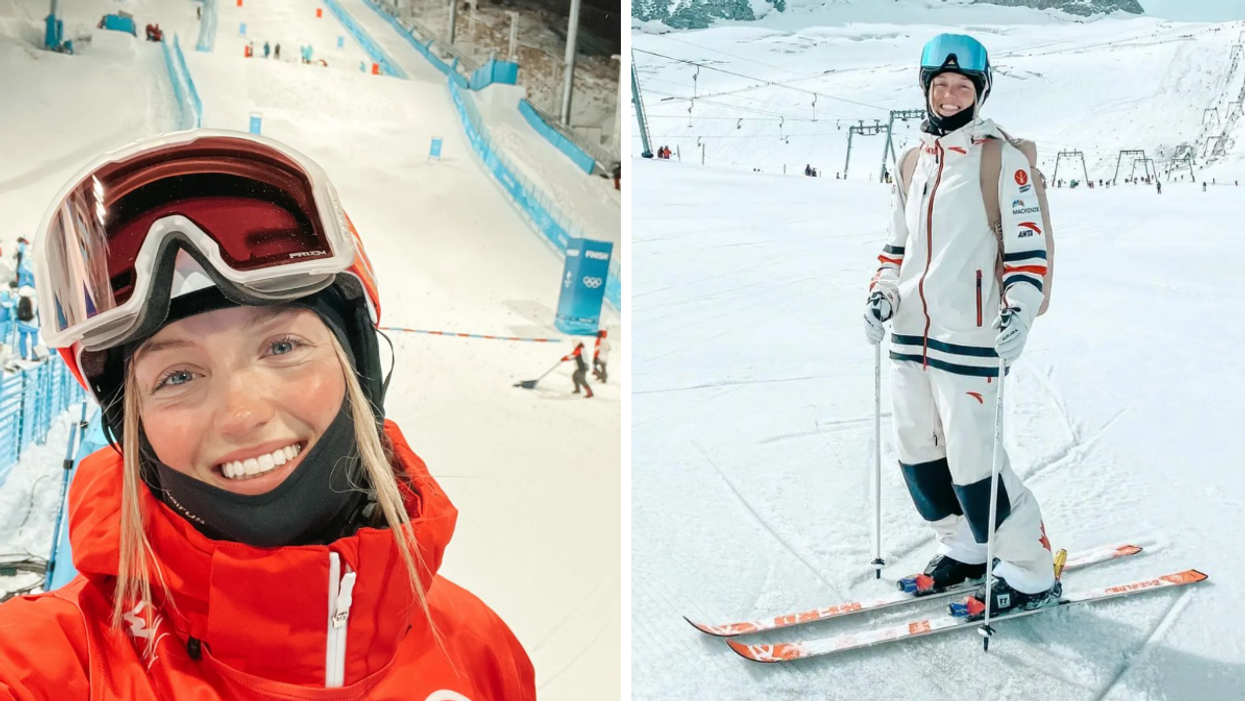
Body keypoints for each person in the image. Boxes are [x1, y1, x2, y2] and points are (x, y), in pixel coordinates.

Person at [0, 131, 536, 699]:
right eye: (177, 376)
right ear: (132, 429)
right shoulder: (51, 663)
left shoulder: (480, 655)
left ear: (358, 366)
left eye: (282, 347)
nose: (241, 414)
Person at [864, 34, 1056, 618]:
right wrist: (881, 295)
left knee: (974, 465)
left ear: (981, 92)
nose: (950, 95)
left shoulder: (1002, 161)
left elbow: (1028, 254)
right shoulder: (912, 161)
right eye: (941, 85)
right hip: (910, 336)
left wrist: (1020, 311)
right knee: (918, 455)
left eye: (963, 87)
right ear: (926, 88)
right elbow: (895, 248)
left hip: (971, 339)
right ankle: (966, 546)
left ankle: (1029, 568)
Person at [15, 284, 37, 360]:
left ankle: (23, 355)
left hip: (22, 323)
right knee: (34, 339)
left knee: (22, 338)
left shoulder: (18, 300)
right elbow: (35, 312)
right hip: (33, 323)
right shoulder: (34, 300)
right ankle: (35, 356)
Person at [0, 282, 14, 349]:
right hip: (3, 316)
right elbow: (7, 304)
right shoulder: (4, 293)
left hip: (5, 316)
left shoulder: (4, 293)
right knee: (2, 332)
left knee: (4, 332)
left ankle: (3, 346)